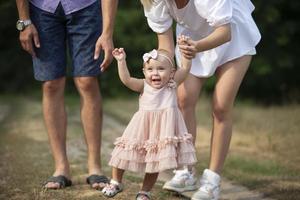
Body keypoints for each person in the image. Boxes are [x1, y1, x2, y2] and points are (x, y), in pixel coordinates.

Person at [140, 0, 261, 199]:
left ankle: (212, 180)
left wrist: (198, 47)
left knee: (221, 106)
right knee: (183, 98)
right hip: (192, 40)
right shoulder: (155, 1)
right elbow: (165, 46)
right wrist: (160, 71)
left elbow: (225, 32)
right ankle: (186, 172)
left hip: (232, 34)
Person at [15, 0, 118, 189]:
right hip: (41, 10)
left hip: (86, 7)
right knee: (51, 84)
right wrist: (24, 21)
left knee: (87, 81)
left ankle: (95, 167)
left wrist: (108, 32)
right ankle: (61, 167)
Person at [101, 37, 197, 200]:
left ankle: (145, 191)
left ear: (172, 72)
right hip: (141, 127)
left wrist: (185, 51)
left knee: (155, 161)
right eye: (150, 69)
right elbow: (126, 80)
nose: (155, 73)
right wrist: (121, 61)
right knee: (123, 152)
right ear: (144, 72)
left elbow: (186, 68)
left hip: (162, 130)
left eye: (161, 69)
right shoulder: (143, 85)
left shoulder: (172, 84)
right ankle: (116, 181)